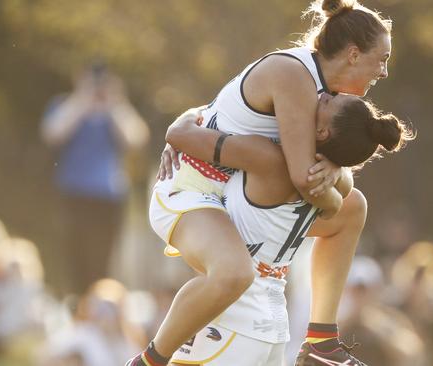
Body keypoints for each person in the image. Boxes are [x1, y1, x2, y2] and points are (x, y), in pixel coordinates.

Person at [139, 1, 396, 364]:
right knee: (234, 273)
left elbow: (324, 170)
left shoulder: (323, 94)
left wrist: (338, 175)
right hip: (191, 192)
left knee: (354, 208)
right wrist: (335, 190)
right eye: (381, 58)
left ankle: (321, 341)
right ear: (353, 54)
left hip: (231, 196)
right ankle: (148, 360)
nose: (383, 71)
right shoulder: (295, 77)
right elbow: (304, 178)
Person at [41, 62, 149, 294]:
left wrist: (115, 103)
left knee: (105, 256)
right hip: (74, 193)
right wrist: (82, 99)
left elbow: (136, 139)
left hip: (108, 197)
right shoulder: (65, 105)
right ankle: (75, 299)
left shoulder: (116, 112)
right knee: (74, 253)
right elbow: (53, 133)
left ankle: (100, 298)